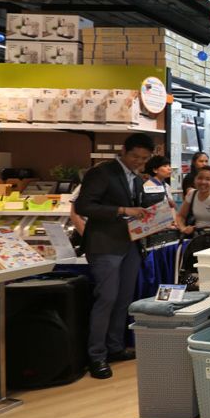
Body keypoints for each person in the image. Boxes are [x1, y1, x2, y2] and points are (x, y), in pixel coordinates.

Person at [74, 133, 154, 379]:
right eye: (135, 156)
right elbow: (84, 206)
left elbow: (136, 209)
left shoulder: (137, 178)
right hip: (104, 244)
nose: (139, 162)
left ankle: (115, 347)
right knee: (106, 298)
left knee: (123, 299)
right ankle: (96, 356)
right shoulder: (102, 172)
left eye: (144, 159)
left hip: (130, 244)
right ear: (123, 151)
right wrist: (122, 210)